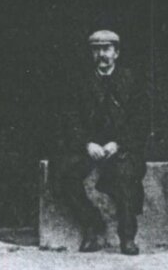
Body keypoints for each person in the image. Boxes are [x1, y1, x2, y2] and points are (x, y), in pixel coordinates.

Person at [51, 29, 151, 254]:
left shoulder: (131, 80)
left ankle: (127, 236)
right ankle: (91, 226)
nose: (102, 55)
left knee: (126, 176)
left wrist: (119, 143)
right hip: (89, 147)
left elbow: (140, 120)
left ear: (116, 53)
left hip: (119, 147)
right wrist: (86, 144)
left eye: (106, 49)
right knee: (64, 173)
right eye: (96, 50)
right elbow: (70, 117)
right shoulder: (81, 82)